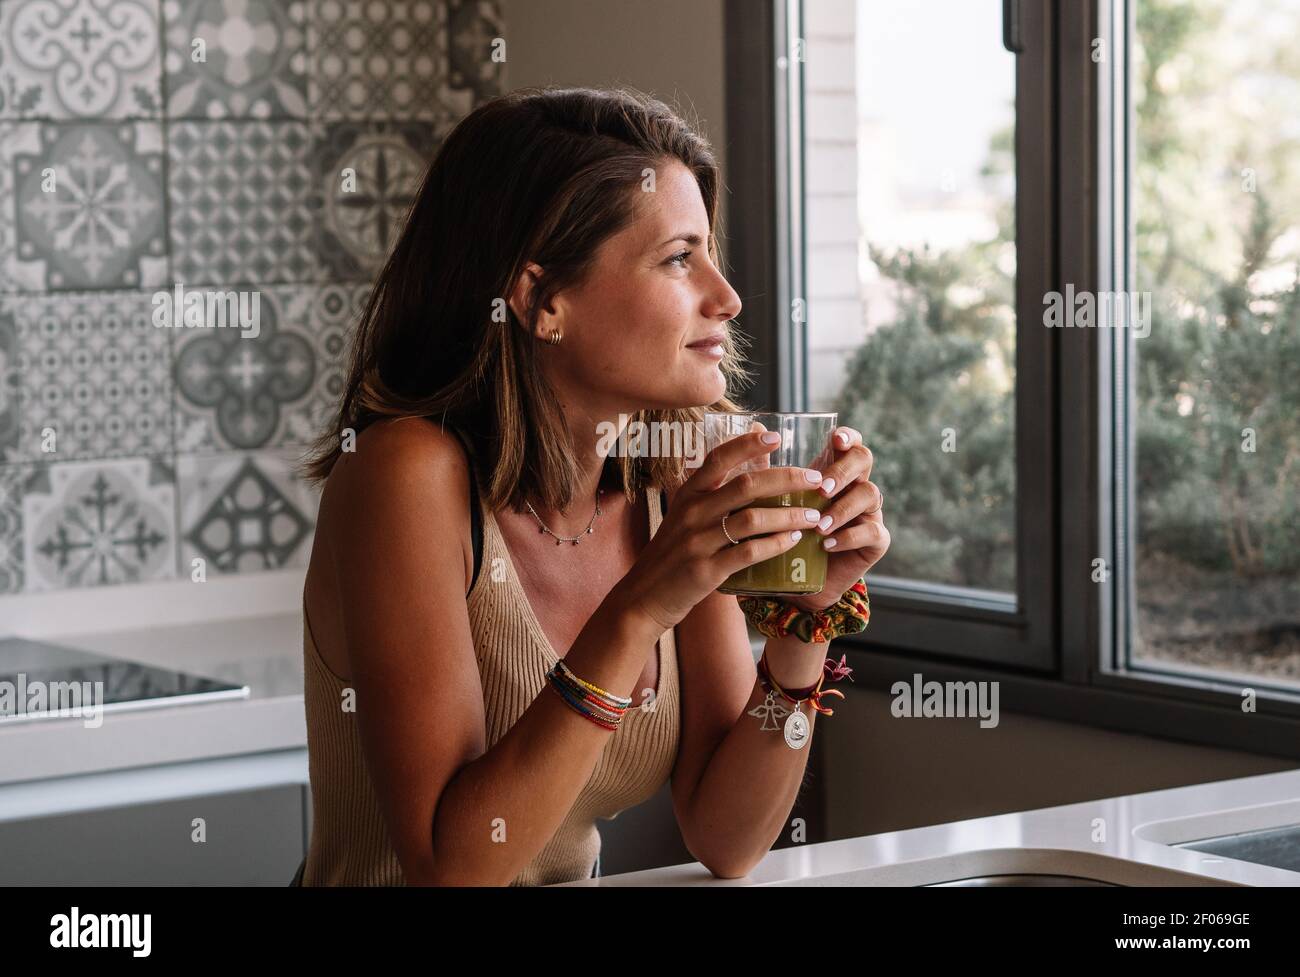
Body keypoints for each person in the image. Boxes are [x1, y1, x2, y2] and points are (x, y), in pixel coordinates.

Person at [295, 86, 889, 886]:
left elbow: (728, 835)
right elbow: (453, 868)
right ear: (543, 301)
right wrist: (641, 604)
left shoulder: (673, 480)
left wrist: (803, 620)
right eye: (680, 258)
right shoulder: (405, 477)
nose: (728, 297)